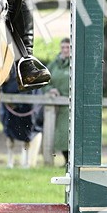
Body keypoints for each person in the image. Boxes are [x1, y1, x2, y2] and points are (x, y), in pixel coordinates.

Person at [46, 37, 72, 167]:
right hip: (55, 106)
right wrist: (50, 89)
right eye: (63, 47)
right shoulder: (54, 64)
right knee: (59, 134)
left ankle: (70, 161)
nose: (65, 50)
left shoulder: (74, 64)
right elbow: (45, 80)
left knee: (67, 132)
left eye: (68, 47)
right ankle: (65, 161)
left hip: (70, 105)